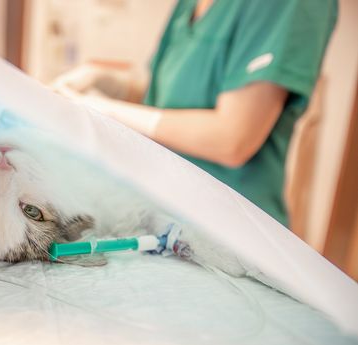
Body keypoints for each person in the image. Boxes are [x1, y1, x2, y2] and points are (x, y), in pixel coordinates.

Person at [53, 0, 338, 227]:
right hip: (161, 209)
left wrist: (107, 111)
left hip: (232, 230)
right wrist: (113, 84)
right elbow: (171, 100)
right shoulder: (190, 6)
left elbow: (233, 139)